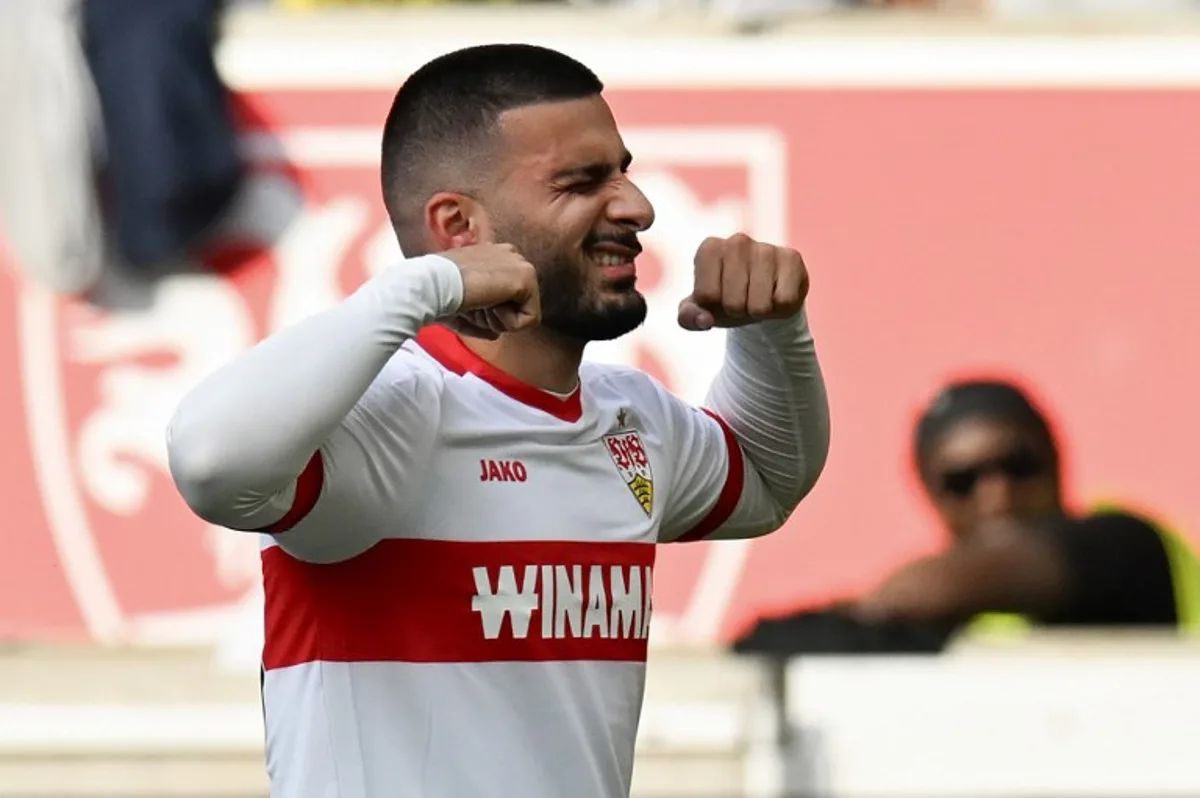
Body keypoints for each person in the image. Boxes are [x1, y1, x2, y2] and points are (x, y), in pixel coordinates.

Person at [166, 44, 830, 798]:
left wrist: (773, 330)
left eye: (623, 170)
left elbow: (771, 479)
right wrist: (419, 290)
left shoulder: (628, 418)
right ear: (458, 225)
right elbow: (211, 462)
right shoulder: (394, 414)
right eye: (583, 183)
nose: (637, 206)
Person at [732, 378, 1199, 657]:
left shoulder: (1128, 545)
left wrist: (855, 620)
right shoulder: (952, 622)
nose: (997, 495)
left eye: (1018, 466)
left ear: (1057, 458)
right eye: (963, 481)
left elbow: (930, 591)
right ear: (932, 496)